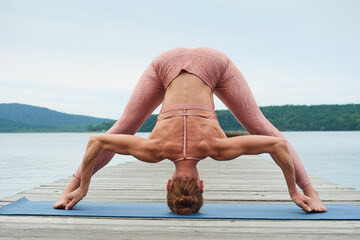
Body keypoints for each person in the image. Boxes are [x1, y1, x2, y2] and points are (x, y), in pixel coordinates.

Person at [54, 47, 327, 214]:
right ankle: (311, 192)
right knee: (120, 130)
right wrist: (81, 190)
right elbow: (97, 142)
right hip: (169, 63)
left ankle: (310, 193)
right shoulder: (152, 151)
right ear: (169, 184)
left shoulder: (219, 150)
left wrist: (293, 190)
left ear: (202, 186)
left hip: (209, 63)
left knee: (262, 129)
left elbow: (276, 145)